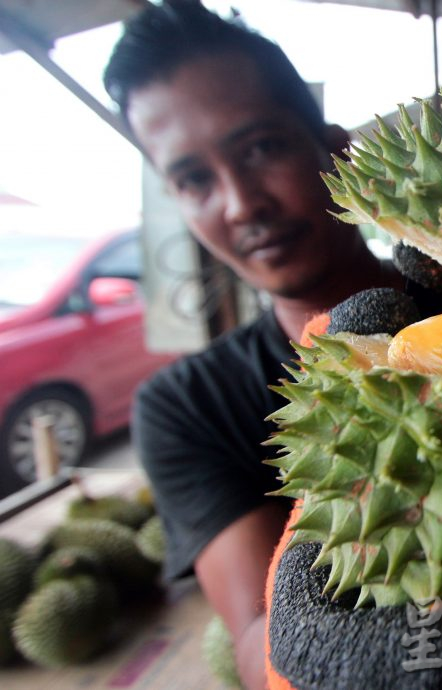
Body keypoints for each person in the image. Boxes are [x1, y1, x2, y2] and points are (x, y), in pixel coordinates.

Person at [103, 2, 404, 687]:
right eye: (194, 180)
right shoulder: (184, 406)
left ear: (333, 148)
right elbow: (251, 634)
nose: (240, 203)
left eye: (261, 148)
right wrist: (330, 655)